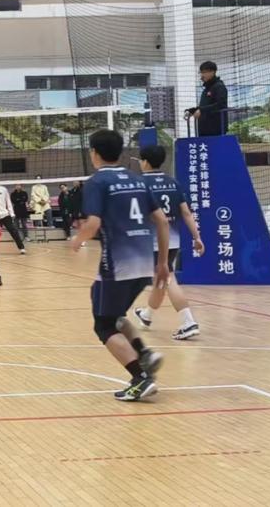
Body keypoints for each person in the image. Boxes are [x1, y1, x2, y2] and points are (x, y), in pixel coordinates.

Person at [72, 129, 171, 402]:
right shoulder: (137, 180)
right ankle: (144, 352)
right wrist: (163, 263)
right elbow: (162, 221)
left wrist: (78, 239)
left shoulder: (97, 182)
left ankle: (141, 378)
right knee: (103, 303)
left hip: (117, 265)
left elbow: (93, 223)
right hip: (145, 262)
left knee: (104, 326)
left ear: (94, 153)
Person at [133, 145, 206, 340]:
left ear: (145, 162)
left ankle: (188, 322)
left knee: (167, 278)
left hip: (152, 241)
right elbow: (186, 213)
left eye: (140, 160)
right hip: (172, 240)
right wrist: (197, 237)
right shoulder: (172, 182)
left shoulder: (140, 183)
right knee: (161, 279)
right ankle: (147, 315)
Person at [186, 60, 229, 136]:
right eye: (201, 72)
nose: (202, 75)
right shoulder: (206, 89)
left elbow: (221, 105)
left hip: (215, 130)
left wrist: (201, 110)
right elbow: (206, 105)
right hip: (204, 129)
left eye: (204, 72)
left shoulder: (219, 87)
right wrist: (193, 110)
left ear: (212, 72)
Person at [0, 175, 25, 254]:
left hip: (4, 214)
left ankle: (21, 248)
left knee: (13, 231)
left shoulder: (3, 189)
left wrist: (12, 213)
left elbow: (8, 201)